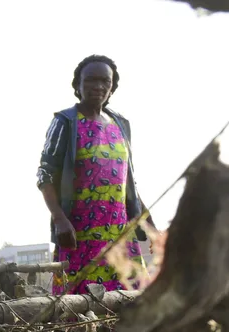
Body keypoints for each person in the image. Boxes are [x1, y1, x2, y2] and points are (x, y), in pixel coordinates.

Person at [36, 54, 153, 296]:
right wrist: (59, 218)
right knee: (80, 308)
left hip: (121, 233)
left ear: (112, 87)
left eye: (105, 81)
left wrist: (150, 227)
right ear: (77, 85)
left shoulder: (120, 124)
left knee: (134, 301)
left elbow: (129, 182)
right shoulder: (65, 122)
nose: (98, 87)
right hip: (79, 234)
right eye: (90, 80)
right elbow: (45, 174)